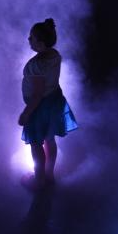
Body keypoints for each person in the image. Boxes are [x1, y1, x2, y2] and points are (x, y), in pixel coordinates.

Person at [18, 18, 78, 189]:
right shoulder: (54, 55)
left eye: (32, 37)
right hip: (54, 101)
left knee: (36, 144)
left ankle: (39, 180)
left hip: (39, 108)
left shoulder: (37, 65)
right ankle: (49, 175)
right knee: (49, 139)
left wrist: (26, 113)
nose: (28, 39)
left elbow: (37, 94)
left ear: (40, 43)